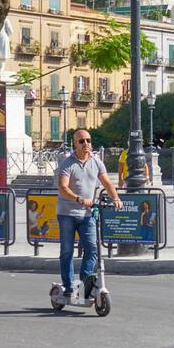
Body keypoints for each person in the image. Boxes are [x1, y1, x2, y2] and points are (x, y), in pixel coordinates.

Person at [55, 129, 122, 303]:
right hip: (67, 213)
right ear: (74, 144)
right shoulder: (67, 164)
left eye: (88, 140)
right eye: (81, 141)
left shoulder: (97, 162)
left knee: (92, 249)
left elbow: (106, 182)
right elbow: (63, 187)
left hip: (87, 214)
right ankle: (69, 287)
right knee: (67, 251)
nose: (86, 144)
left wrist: (115, 198)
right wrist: (78, 199)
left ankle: (86, 283)